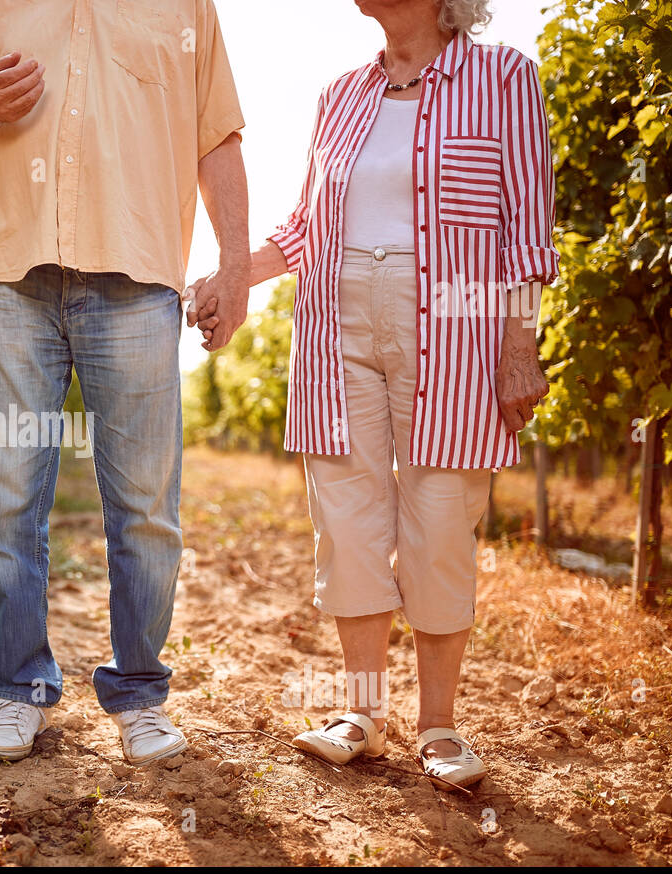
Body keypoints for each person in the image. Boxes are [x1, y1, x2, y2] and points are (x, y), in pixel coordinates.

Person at [189, 0, 559, 790]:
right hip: (337, 321)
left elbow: (528, 230)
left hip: (455, 325)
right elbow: (305, 229)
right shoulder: (342, 95)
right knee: (348, 518)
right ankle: (362, 713)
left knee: (438, 519)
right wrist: (230, 276)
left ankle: (438, 727)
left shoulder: (504, 79)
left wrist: (519, 342)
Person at [0, 0, 248, 765]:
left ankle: (139, 695)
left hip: (138, 278)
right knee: (5, 501)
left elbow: (216, 135)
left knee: (145, 509)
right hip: (11, 279)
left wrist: (233, 265)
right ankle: (17, 689)